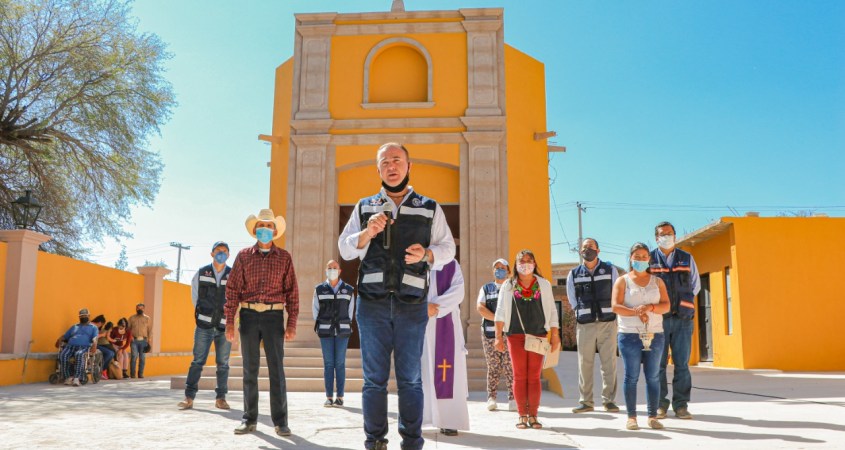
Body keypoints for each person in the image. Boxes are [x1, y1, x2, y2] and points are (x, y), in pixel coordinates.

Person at [338, 142, 455, 450]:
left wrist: (427, 254)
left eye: (397, 160)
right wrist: (367, 233)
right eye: (385, 162)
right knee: (373, 380)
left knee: (410, 379)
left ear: (408, 166)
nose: (391, 166)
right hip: (371, 305)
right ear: (378, 169)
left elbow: (448, 248)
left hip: (412, 305)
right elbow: (345, 248)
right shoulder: (365, 206)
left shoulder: (429, 207)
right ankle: (375, 441)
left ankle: (412, 443)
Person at [225, 209, 299, 437]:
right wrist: (230, 321)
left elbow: (292, 292)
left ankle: (281, 422)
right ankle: (249, 419)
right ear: (254, 230)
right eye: (261, 226)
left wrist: (292, 323)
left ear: (275, 231)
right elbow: (232, 289)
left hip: (273, 317)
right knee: (250, 370)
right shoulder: (243, 256)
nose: (264, 229)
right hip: (248, 316)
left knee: (276, 370)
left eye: (268, 226)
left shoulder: (284, 257)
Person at [494, 250, 560, 430]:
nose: (525, 264)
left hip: (538, 335)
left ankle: (534, 415)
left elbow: (552, 311)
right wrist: (498, 337)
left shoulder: (544, 284)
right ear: (515, 265)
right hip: (514, 335)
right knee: (519, 375)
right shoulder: (508, 285)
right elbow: (500, 312)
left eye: (529, 260)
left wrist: (555, 335)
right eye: (521, 261)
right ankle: (522, 414)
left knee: (534, 377)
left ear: (534, 263)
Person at [612, 242, 670, 430]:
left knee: (653, 376)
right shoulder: (622, 281)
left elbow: (666, 306)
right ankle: (632, 417)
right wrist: (637, 312)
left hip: (655, 335)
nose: (640, 259)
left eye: (644, 256)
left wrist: (650, 307)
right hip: (629, 335)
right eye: (637, 256)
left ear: (649, 259)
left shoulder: (658, 282)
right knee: (631, 376)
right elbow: (616, 306)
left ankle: (652, 416)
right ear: (630, 258)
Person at [650, 221, 700, 420]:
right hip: (658, 320)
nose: (666, 236)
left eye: (669, 233)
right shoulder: (649, 260)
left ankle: (681, 405)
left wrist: (682, 303)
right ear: (656, 238)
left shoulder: (686, 258)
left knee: (682, 364)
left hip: (683, 320)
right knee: (658, 365)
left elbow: (695, 285)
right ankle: (660, 405)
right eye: (662, 234)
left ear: (675, 235)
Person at [567, 238, 620, 413]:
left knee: (609, 363)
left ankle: (609, 401)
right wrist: (580, 312)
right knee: (585, 363)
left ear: (598, 250)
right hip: (585, 324)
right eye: (584, 247)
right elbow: (572, 298)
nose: (587, 250)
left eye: (590, 246)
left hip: (607, 322)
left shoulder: (610, 270)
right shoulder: (574, 274)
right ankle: (586, 402)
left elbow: (617, 292)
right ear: (580, 251)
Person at [178, 241, 233, 411]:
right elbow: (195, 296)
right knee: (197, 362)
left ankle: (221, 399)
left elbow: (236, 299)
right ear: (212, 253)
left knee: (223, 364)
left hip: (224, 326)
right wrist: (203, 313)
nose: (221, 253)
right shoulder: (202, 273)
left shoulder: (233, 275)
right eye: (218, 250)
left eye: (224, 251)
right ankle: (189, 397)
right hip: (204, 326)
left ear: (228, 255)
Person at [421, 259, 469, 436]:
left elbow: (458, 291)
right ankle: (419, 419)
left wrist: (435, 307)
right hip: (418, 321)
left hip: (444, 319)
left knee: (448, 371)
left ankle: (449, 420)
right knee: (421, 371)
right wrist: (421, 307)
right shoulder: (413, 258)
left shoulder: (451, 264)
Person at [312, 259, 355, 408]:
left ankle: (340, 397)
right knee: (329, 363)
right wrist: (321, 325)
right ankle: (329, 397)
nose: (332, 270)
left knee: (340, 363)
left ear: (340, 270)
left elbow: (350, 311)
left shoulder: (348, 290)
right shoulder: (319, 289)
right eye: (329, 267)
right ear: (326, 270)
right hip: (326, 331)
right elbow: (315, 310)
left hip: (342, 331)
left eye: (335, 267)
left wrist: (345, 325)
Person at [476, 258, 516, 412]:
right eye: (497, 267)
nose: (499, 270)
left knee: (510, 366)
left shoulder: (513, 287)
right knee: (493, 366)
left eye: (503, 268)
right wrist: (498, 319)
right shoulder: (486, 288)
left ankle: (513, 398)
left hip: (510, 334)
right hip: (490, 334)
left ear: (508, 271)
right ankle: (491, 398)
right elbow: (480, 307)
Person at [55, 308, 99, 386]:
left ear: (89, 316)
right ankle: (68, 377)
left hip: (83, 347)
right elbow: (65, 336)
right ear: (79, 317)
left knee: (79, 354)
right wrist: (59, 340)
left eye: (85, 316)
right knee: (63, 355)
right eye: (81, 316)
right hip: (70, 346)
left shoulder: (93, 327)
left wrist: (95, 344)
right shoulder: (74, 327)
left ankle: (77, 378)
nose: (83, 317)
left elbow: (95, 338)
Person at [127, 303, 152, 378]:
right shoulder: (131, 318)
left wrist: (149, 340)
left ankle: (140, 374)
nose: (140, 309)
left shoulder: (147, 318)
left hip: (144, 341)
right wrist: (130, 337)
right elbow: (128, 329)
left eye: (141, 308)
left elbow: (150, 330)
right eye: (138, 308)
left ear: (144, 309)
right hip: (134, 340)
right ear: (136, 309)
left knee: (142, 358)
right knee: (134, 357)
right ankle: (132, 374)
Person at [91, 315, 115, 380]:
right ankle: (101, 370)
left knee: (111, 353)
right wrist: (102, 335)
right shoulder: (93, 326)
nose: (101, 326)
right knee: (110, 353)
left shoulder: (93, 326)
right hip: (91, 345)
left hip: (95, 344)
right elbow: (93, 337)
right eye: (102, 325)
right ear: (100, 323)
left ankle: (101, 370)